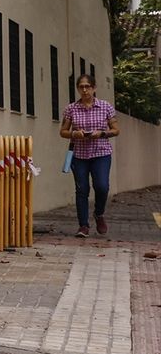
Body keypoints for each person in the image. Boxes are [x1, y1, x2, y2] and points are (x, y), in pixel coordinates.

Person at [59, 74, 119, 238]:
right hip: (80, 155)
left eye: (87, 86)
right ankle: (83, 225)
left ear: (94, 88)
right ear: (78, 89)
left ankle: (99, 213)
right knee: (82, 189)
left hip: (101, 153)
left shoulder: (105, 107)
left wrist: (102, 133)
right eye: (81, 87)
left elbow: (116, 130)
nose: (84, 90)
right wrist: (74, 134)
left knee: (101, 186)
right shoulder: (71, 109)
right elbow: (63, 132)